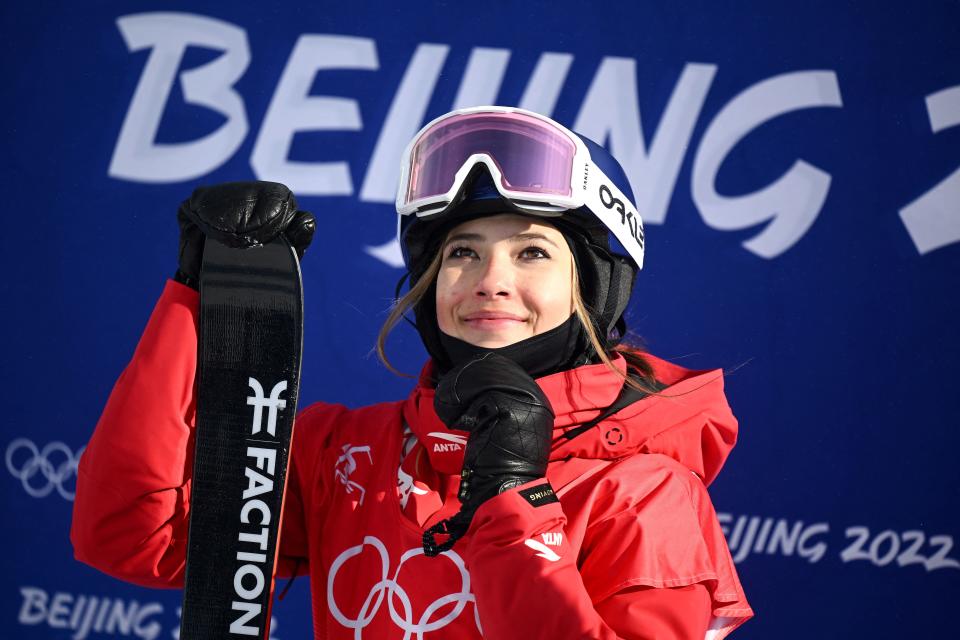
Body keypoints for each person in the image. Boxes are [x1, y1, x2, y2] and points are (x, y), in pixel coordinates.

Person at [72, 106, 753, 639]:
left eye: (532, 253)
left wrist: (510, 498)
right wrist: (200, 303)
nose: (490, 281)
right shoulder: (347, 451)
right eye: (462, 251)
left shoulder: (642, 492)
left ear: (595, 289)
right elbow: (134, 535)